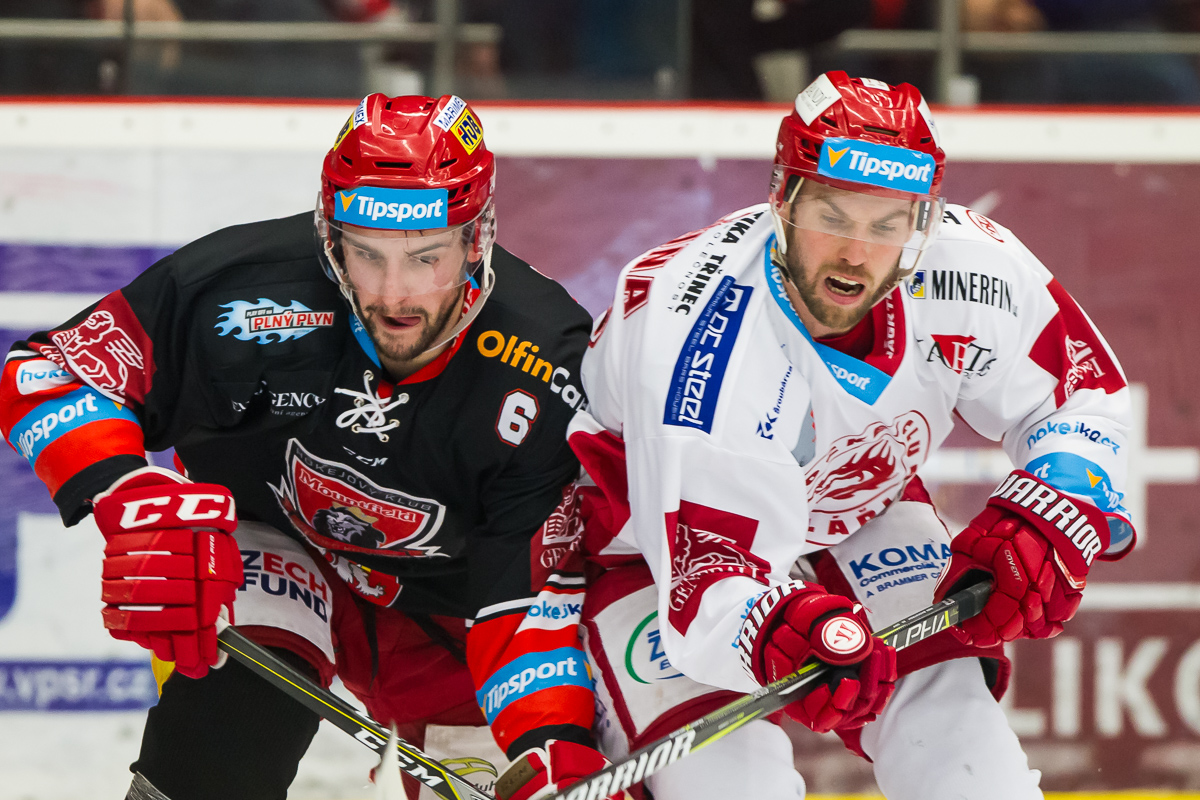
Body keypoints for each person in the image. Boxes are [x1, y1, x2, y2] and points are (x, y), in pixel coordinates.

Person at [0, 93, 616, 800]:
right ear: (330, 233)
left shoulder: (545, 362)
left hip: (455, 610)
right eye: (366, 253)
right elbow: (49, 371)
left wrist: (550, 741)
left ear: (476, 239)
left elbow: (528, 603)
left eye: (426, 257)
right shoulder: (241, 289)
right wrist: (128, 492)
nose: (393, 294)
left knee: (515, 776)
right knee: (224, 745)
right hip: (271, 546)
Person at [568, 71, 1134, 799]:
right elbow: (709, 577)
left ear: (921, 221)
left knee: (969, 766)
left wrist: (1053, 505)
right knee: (735, 789)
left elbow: (1082, 394)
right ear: (783, 197)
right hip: (650, 555)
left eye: (887, 224)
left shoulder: (974, 267)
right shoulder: (698, 337)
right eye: (833, 217)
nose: (857, 255)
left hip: (858, 509)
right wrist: (779, 629)